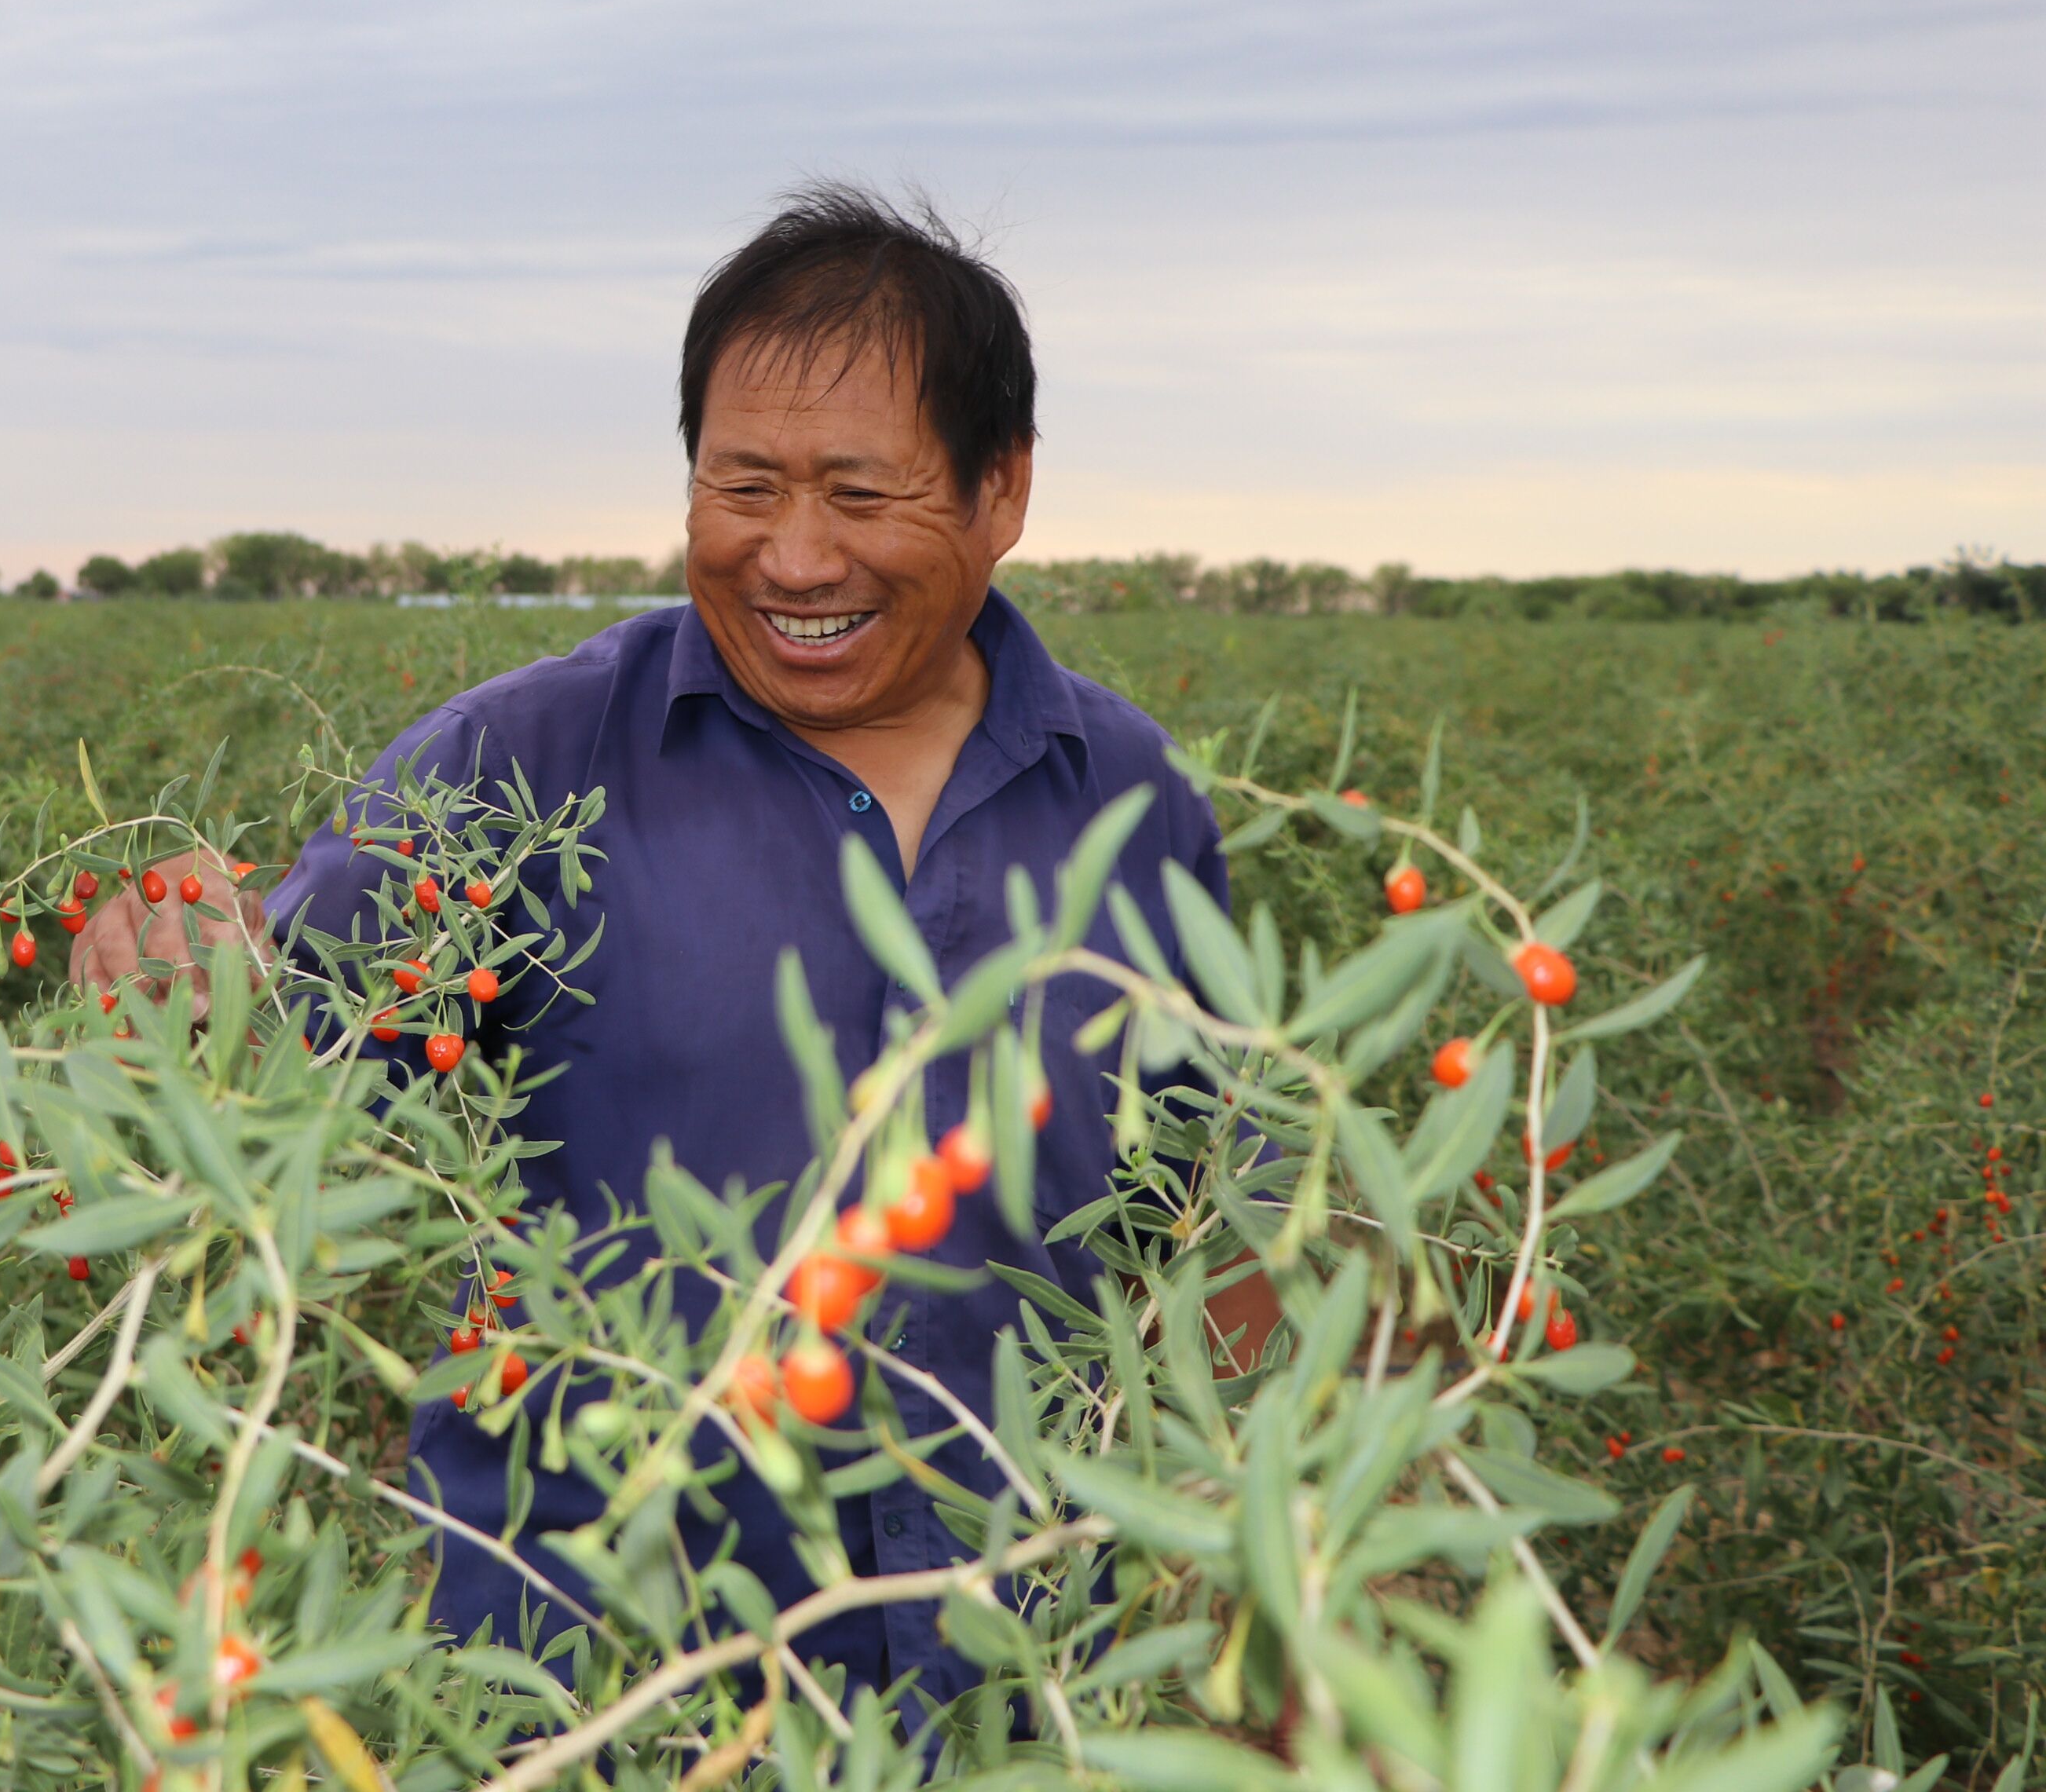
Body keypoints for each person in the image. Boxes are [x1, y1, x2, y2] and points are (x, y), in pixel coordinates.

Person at [72, 181, 1260, 1710]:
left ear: (1000, 491)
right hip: (607, 1684)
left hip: (1026, 1679)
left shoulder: (1129, 797)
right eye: (744, 486)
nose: (794, 556)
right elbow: (277, 1054)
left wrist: (1255, 1564)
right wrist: (194, 966)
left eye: (860, 492)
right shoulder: (522, 760)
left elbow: (1212, 1214)